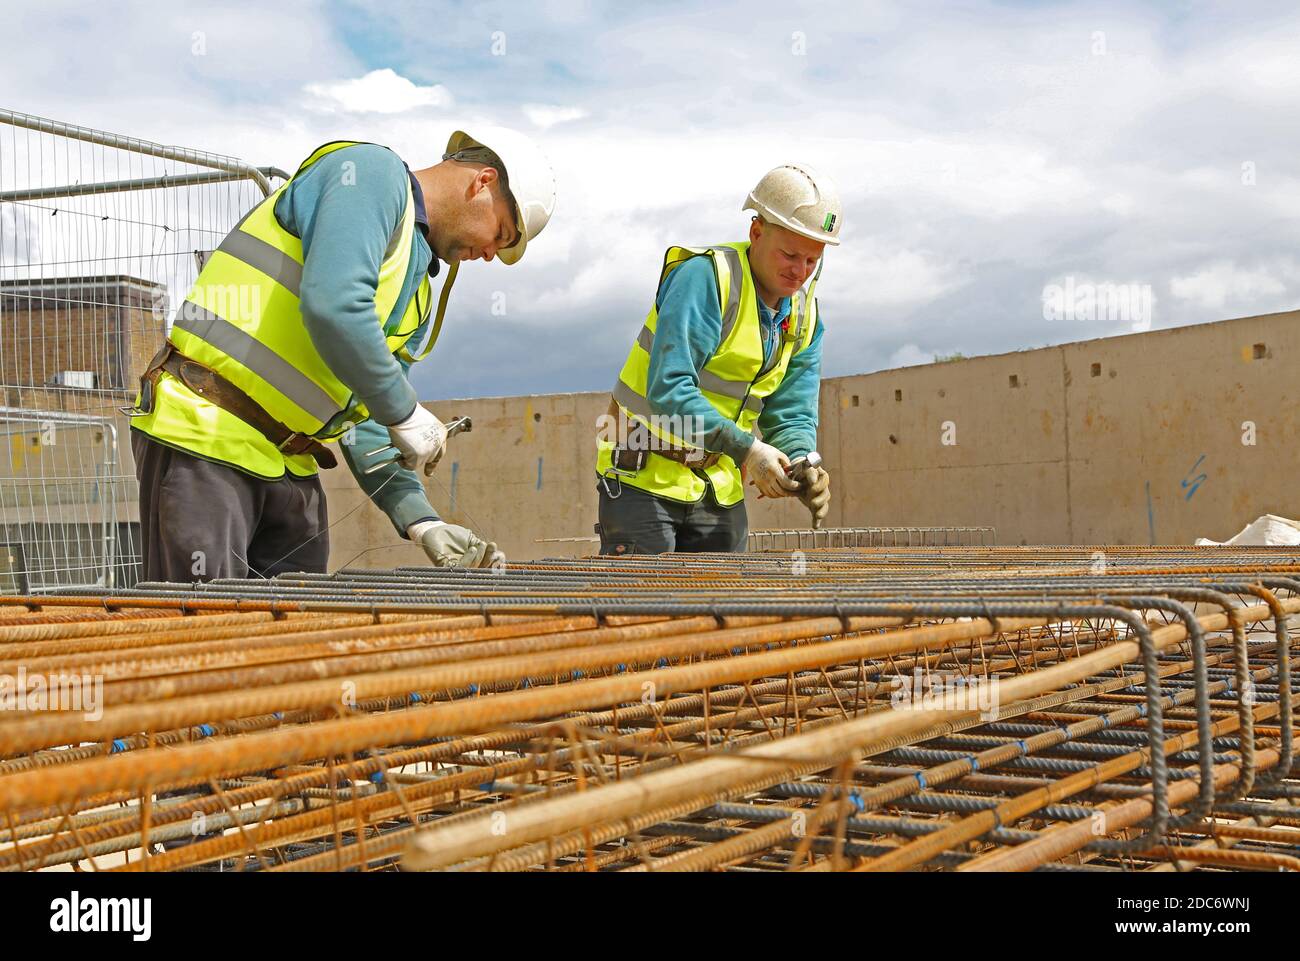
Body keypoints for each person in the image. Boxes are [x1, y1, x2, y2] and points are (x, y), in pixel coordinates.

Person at [128, 128, 555, 580]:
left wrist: (421, 519)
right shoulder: (372, 176)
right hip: (207, 437)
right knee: (205, 636)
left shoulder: (417, 298)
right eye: (501, 234)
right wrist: (405, 410)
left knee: (292, 641)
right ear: (483, 182)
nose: (490, 254)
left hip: (289, 467)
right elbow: (333, 304)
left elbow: (370, 418)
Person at [594, 164, 836, 554]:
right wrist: (750, 451)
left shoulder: (804, 317)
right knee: (641, 608)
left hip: (718, 486)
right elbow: (669, 389)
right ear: (756, 232)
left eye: (812, 261)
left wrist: (801, 462)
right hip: (642, 477)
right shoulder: (706, 279)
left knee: (721, 608)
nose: (800, 272)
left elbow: (791, 413)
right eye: (790, 254)